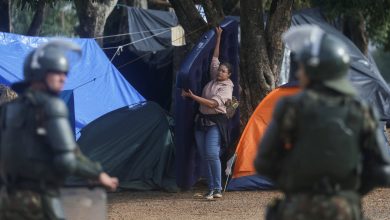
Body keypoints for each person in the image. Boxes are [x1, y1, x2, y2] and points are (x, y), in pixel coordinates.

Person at [254, 25, 390, 220]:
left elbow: (263, 161)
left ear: (314, 70)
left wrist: (295, 185)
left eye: (302, 68)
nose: (299, 74)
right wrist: (349, 193)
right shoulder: (361, 109)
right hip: (345, 210)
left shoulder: (291, 106)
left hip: (297, 209)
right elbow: (383, 170)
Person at [0, 41, 119, 220]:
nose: (63, 78)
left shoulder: (9, 110)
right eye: (57, 73)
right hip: (38, 199)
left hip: (7, 200)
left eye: (64, 73)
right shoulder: (50, 106)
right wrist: (97, 173)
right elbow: (67, 159)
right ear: (40, 74)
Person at [182, 27, 234, 200]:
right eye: (219, 70)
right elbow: (215, 58)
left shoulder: (227, 87)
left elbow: (213, 104)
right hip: (201, 122)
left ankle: (218, 188)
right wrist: (218, 37)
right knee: (204, 156)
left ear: (229, 75)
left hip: (215, 123)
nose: (220, 72)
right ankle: (211, 188)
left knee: (212, 153)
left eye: (223, 71)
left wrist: (192, 96)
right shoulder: (213, 79)